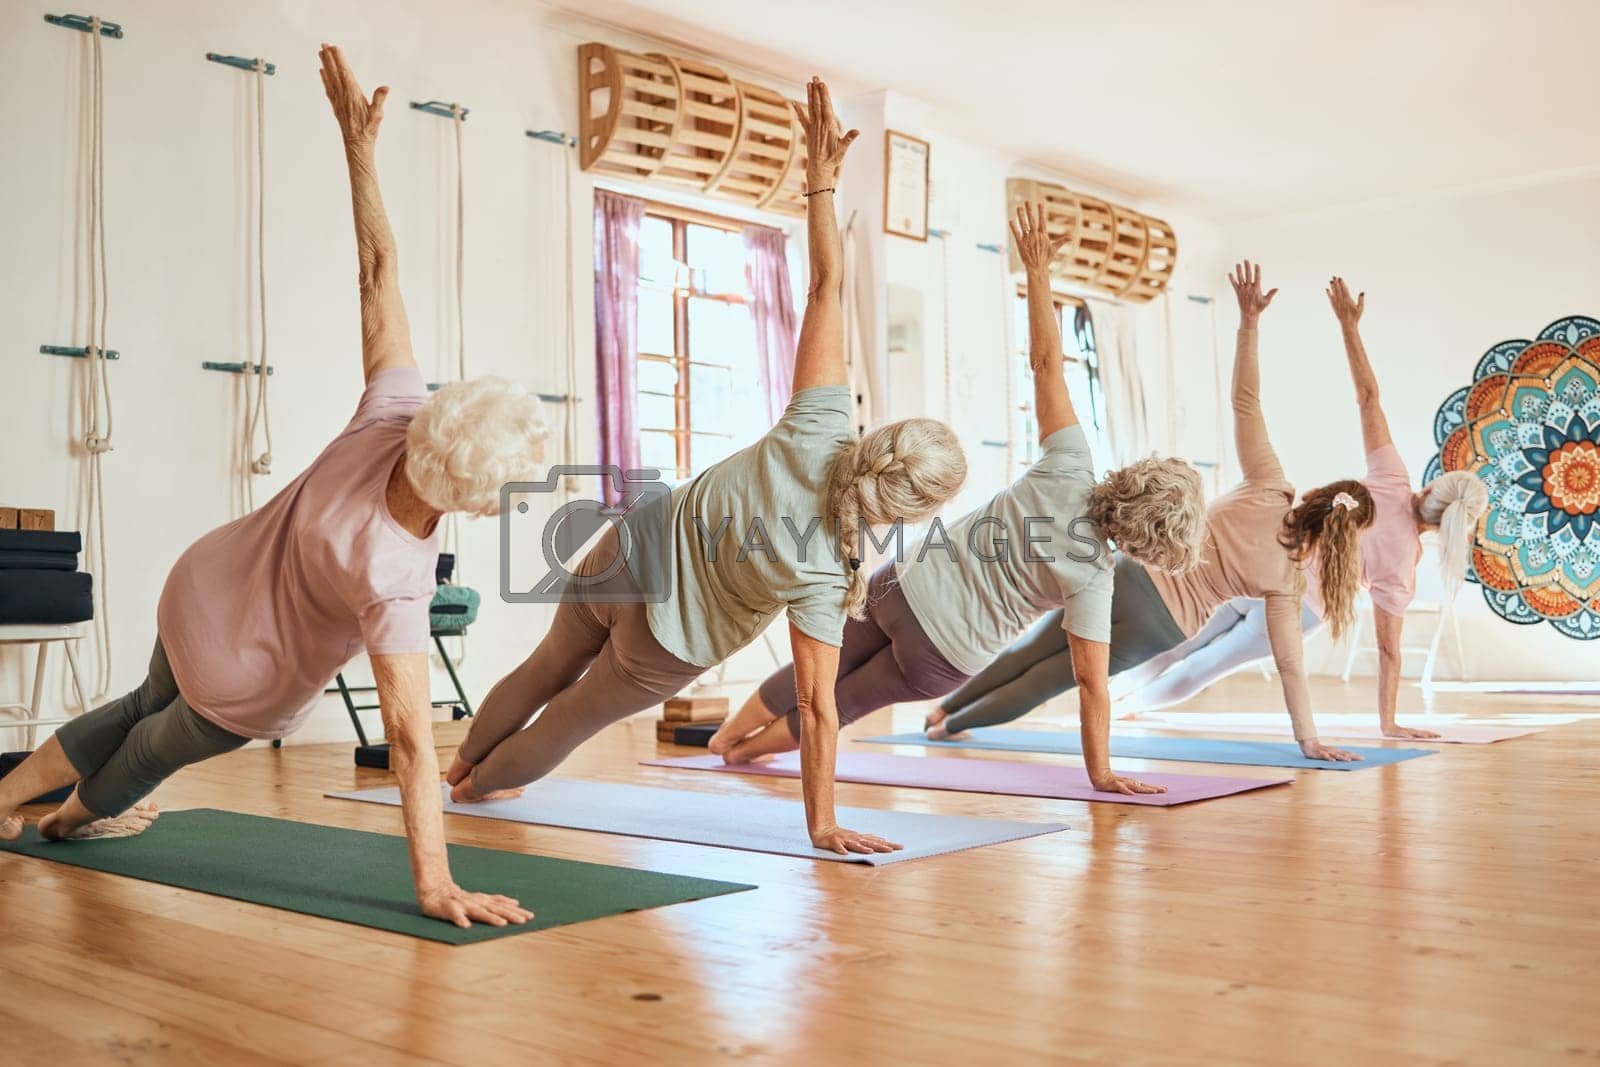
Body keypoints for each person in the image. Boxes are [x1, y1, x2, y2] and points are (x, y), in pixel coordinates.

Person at [0, 46, 542, 931]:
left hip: (200, 585)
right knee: (146, 751)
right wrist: (434, 883)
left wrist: (358, 151)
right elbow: (408, 739)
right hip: (243, 677)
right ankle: (63, 821)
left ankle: (6, 796)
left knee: (137, 704)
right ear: (477, 499)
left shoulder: (394, 410)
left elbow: (378, 271)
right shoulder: (397, 575)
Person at [446, 78, 967, 854]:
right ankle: (471, 789)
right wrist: (820, 823)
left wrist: (820, 179)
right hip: (669, 641)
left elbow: (825, 285)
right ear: (910, 507)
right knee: (572, 718)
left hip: (629, 547)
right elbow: (820, 709)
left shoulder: (821, 422)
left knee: (543, 667)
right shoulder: (830, 566)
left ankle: (449, 764)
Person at [706, 203, 1207, 796]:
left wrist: (1039, 273)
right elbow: (1091, 684)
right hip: (946, 651)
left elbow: (1047, 364)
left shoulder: (1069, 462)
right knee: (845, 701)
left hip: (903, 585)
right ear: (1148, 543)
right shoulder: (1094, 578)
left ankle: (723, 737)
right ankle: (745, 755)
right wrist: (1099, 771)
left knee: (820, 667)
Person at [925, 262, 1374, 763]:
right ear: (1341, 539)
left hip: (1128, 576)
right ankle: (950, 729)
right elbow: (1290, 665)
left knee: (1028, 651)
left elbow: (1245, 403)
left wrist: (1249, 323)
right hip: (1165, 624)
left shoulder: (1269, 486)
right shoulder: (1289, 583)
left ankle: (941, 710)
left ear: (1316, 495)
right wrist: (1308, 739)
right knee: (1052, 680)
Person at [1111, 277, 1490, 737]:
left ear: (1432, 491)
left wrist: (1348, 324)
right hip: (1299, 606)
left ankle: (1100, 702)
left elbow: (1368, 397)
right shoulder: (1403, 569)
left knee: (1178, 643)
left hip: (1263, 557)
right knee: (1203, 668)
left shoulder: (1392, 478)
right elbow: (1389, 651)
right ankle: (1119, 714)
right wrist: (1389, 723)